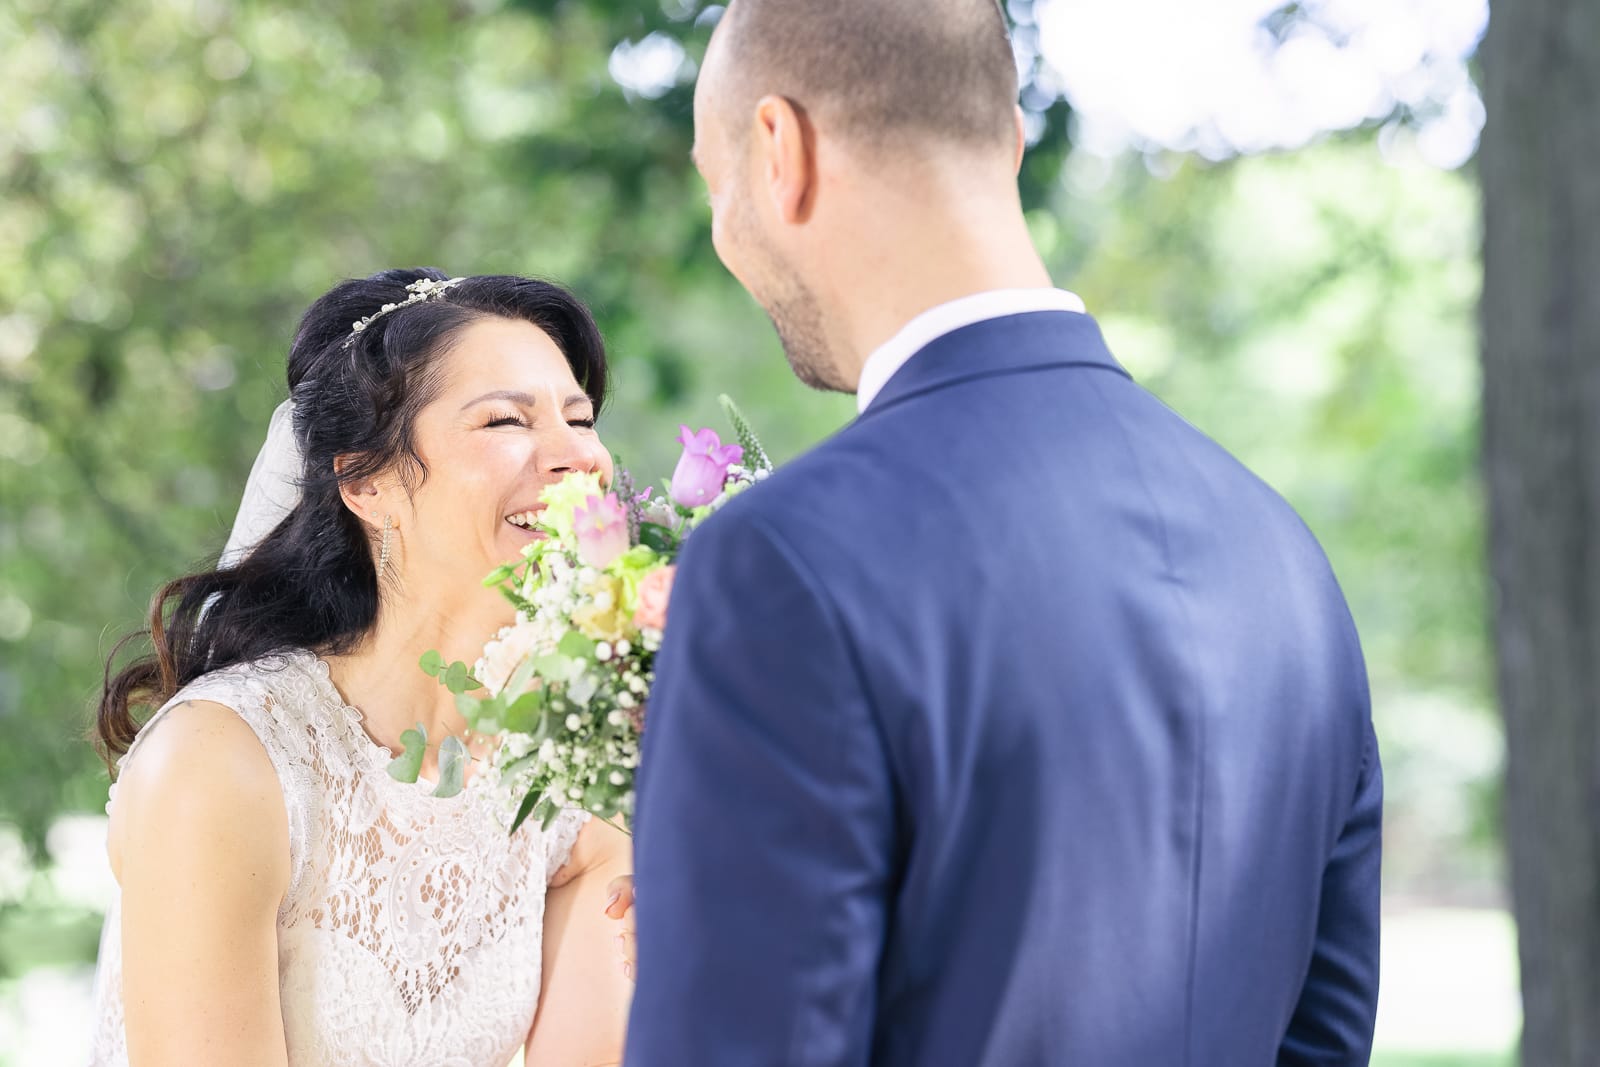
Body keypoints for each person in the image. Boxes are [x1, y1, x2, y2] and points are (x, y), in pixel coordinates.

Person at [626, 2, 1382, 1064]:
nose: (723, 236)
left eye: (716, 187)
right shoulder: (1284, 556)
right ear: (1012, 142)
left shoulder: (782, 563)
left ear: (778, 150)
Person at [90, 269, 635, 1066]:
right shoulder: (222, 764)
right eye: (505, 420)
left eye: (580, 417)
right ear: (366, 481)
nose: (576, 456)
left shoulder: (574, 763)